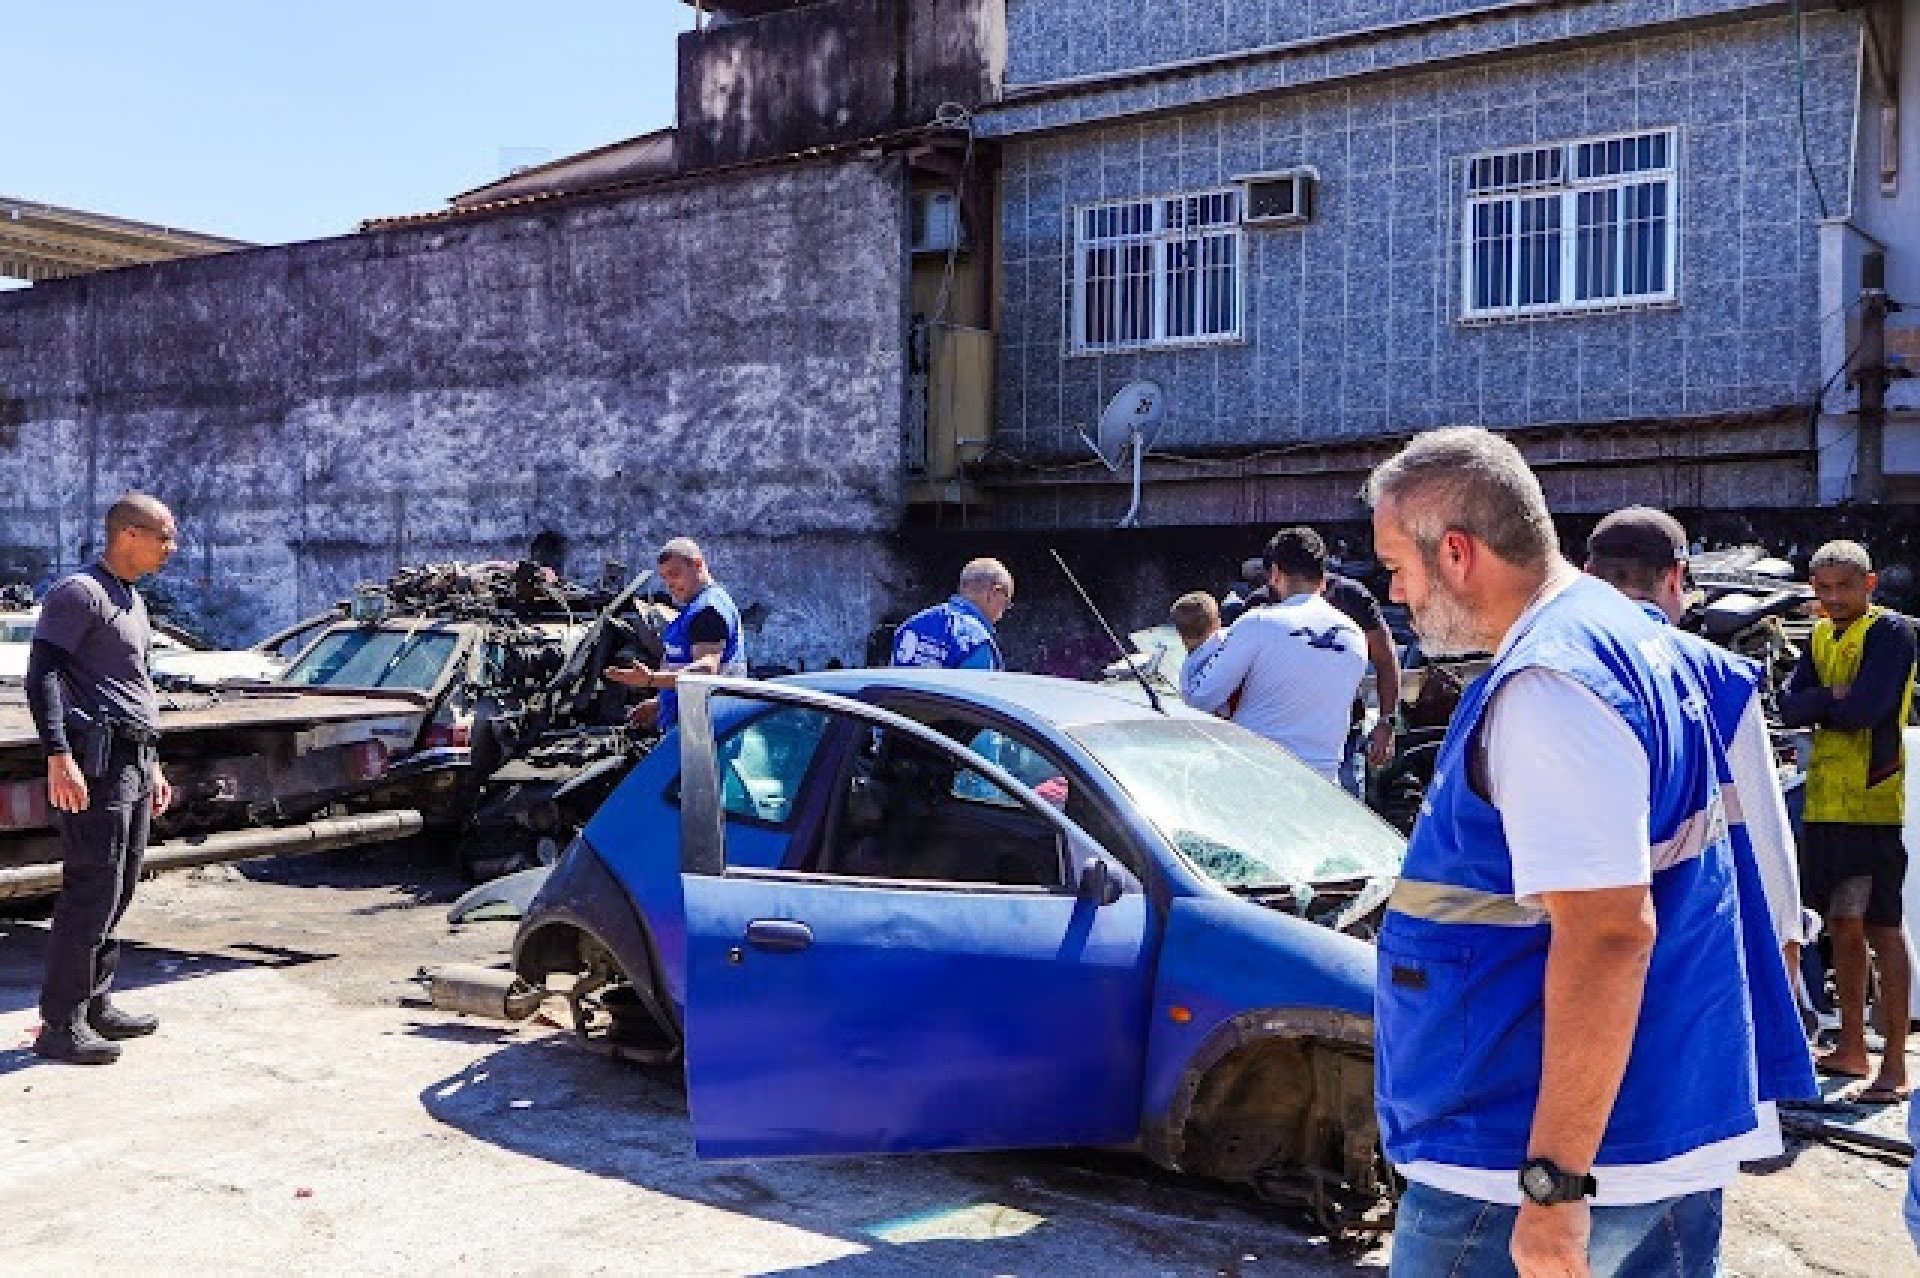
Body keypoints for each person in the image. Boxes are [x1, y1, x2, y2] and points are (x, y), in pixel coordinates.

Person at [1364, 429, 1811, 1277]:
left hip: (1520, 1157)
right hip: (1654, 1122)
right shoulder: (1628, 638)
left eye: (1398, 564)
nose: (1396, 591)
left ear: (1456, 554)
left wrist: (1553, 1185)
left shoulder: (1551, 684)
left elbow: (1610, 934)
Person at [1584, 508, 1814, 975]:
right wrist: (1787, 938)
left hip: (1573, 952)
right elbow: (1761, 826)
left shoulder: (1545, 668)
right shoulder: (1720, 677)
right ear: (1677, 576)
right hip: (1691, 954)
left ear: (1588, 575)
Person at [26, 494, 177, 1065]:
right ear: (129, 534)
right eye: (164, 536)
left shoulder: (132, 599)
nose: (171, 547)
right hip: (96, 764)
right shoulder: (78, 593)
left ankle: (94, 1001)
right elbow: (42, 677)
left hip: (135, 760)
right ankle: (59, 1024)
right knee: (91, 889)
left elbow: (133, 688)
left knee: (122, 885)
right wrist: (57, 753)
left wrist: (154, 763)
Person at [1779, 540, 1917, 1105]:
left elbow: (1867, 708)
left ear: (1870, 584)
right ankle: (1852, 1047)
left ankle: (1893, 1064)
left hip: (1871, 802)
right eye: (1824, 589)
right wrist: (1831, 698)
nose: (1833, 598)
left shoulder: (1892, 633)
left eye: (1844, 587)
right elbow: (1788, 706)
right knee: (1840, 925)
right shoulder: (1815, 635)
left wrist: (1825, 701)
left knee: (1883, 927)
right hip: (1825, 801)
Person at [1180, 528, 1366, 781]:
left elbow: (1199, 699)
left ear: (1275, 573)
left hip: (1257, 781)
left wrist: (1213, 644)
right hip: (1325, 789)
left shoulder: (1256, 623)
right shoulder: (1355, 634)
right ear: (1323, 579)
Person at [1225, 531, 1401, 796]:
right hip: (1269, 743)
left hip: (1339, 743)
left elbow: (1386, 660)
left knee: (1341, 821)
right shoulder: (1260, 605)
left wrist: (1387, 722)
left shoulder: (1352, 598)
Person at [603, 538, 747, 732]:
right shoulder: (697, 607)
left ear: (697, 565)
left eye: (674, 574)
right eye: (664, 577)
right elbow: (687, 669)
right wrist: (660, 702)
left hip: (705, 733)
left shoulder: (707, 610)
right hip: (695, 728)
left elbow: (706, 671)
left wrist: (651, 679)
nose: (669, 584)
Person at [891, 559, 1013, 671]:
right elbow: (977, 692)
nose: (1003, 611)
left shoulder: (909, 627)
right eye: (1006, 603)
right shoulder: (976, 641)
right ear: (994, 593)